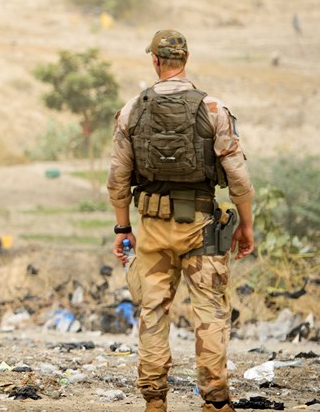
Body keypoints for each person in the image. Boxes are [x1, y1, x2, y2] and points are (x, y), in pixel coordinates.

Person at [107, 29, 255, 412]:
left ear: (155, 61)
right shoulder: (213, 109)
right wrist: (246, 225)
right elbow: (239, 179)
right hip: (202, 228)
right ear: (185, 59)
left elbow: (118, 180)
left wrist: (123, 228)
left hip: (152, 229)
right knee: (209, 313)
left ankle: (155, 401)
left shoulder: (131, 110)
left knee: (153, 311)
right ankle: (216, 402)